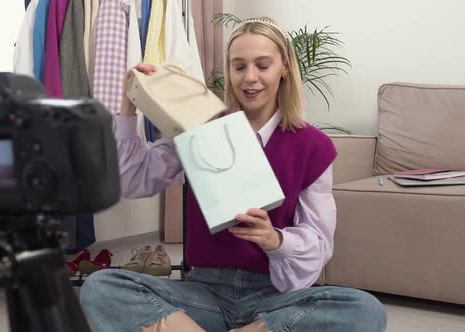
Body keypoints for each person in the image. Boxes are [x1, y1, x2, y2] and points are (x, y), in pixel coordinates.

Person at [80, 17, 387, 332]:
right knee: (101, 287)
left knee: (364, 310)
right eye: (239, 67)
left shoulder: (314, 146)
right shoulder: (200, 127)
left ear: (284, 68)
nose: (250, 78)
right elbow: (132, 181)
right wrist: (128, 107)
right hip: (204, 293)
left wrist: (275, 239)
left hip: (274, 297)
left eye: (262, 65)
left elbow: (320, 242)